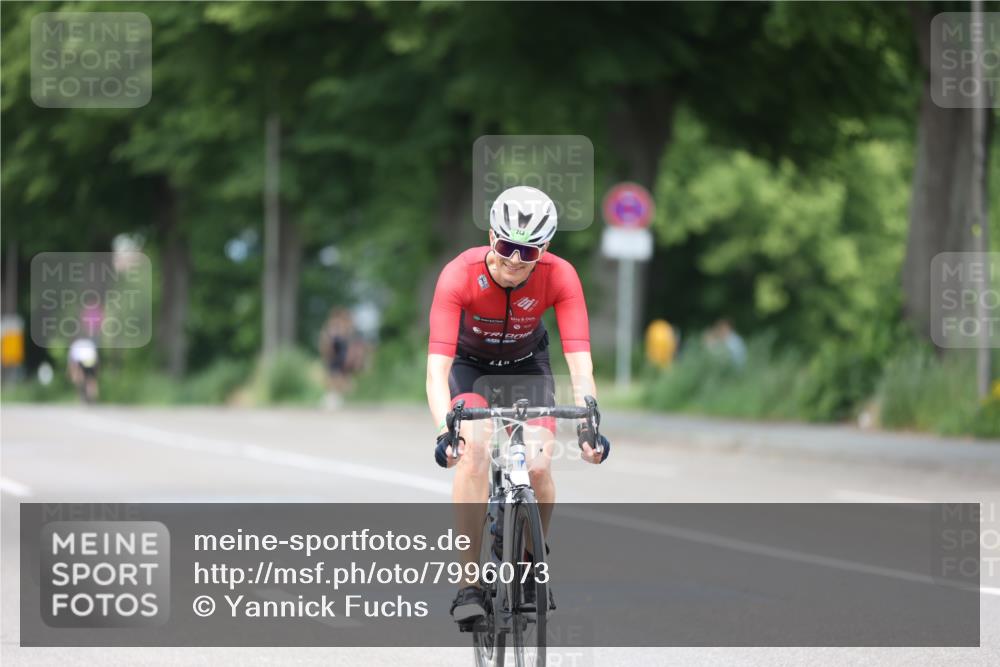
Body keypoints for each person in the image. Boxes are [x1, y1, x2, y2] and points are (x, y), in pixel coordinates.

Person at [426, 185, 611, 623]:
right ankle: (469, 584)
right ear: (491, 236)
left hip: (528, 369)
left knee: (540, 466)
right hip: (470, 370)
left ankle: (529, 566)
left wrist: (589, 423)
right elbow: (436, 368)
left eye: (526, 253)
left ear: (544, 250)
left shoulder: (560, 275)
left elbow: (579, 360)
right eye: (506, 247)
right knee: (473, 454)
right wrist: (444, 431)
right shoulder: (459, 274)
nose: (513, 260)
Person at [319, 308, 362, 407]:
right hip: (334, 357)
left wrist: (353, 358)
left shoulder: (344, 328)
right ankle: (333, 397)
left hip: (341, 357)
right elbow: (326, 344)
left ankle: (335, 397)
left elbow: (350, 345)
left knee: (341, 379)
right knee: (334, 378)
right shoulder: (332, 328)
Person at [67, 337, 99, 403]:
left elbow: (72, 361)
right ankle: (92, 396)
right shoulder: (90, 343)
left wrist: (71, 372)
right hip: (91, 361)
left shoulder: (75, 344)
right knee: (91, 380)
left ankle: (81, 395)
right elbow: (96, 357)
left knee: (79, 378)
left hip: (81, 361)